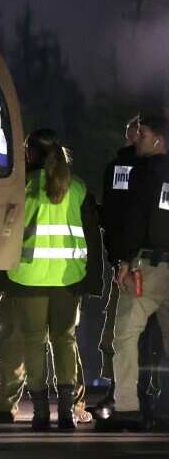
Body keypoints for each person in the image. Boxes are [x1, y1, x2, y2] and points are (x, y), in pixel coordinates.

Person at [0, 129, 100, 430]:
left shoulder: (19, 187)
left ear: (30, 154)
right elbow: (92, 237)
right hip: (68, 279)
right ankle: (66, 412)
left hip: (27, 278)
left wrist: (0, 278)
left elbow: (3, 235)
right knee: (65, 340)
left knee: (33, 342)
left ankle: (39, 412)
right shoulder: (78, 188)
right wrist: (93, 280)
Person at [98, 113, 169, 431]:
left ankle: (127, 408)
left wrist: (123, 262)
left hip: (146, 268)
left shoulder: (141, 173)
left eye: (142, 134)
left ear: (158, 139)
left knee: (125, 336)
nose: (135, 139)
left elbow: (133, 220)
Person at [91, 114, 146, 415]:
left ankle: (120, 394)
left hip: (128, 262)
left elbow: (113, 214)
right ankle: (149, 393)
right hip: (147, 258)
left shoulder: (120, 168)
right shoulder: (158, 169)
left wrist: (118, 258)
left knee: (120, 331)